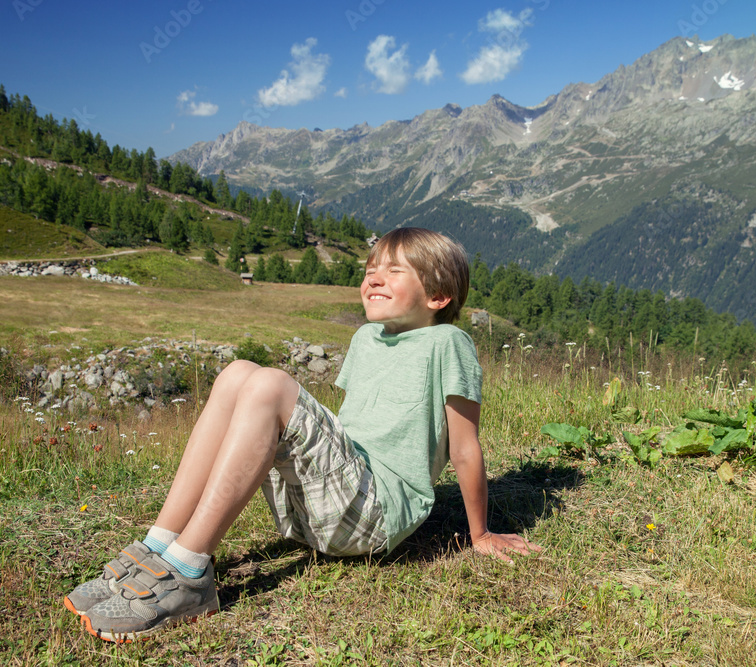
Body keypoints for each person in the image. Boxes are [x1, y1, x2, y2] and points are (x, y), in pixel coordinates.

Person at [66, 227, 542, 642]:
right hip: (321, 508)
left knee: (271, 385)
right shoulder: (366, 338)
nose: (374, 278)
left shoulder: (448, 342)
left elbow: (464, 447)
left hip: (376, 512)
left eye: (394, 271)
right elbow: (347, 430)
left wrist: (480, 533)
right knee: (237, 373)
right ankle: (158, 545)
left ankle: (189, 572)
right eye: (370, 270)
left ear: (438, 296)